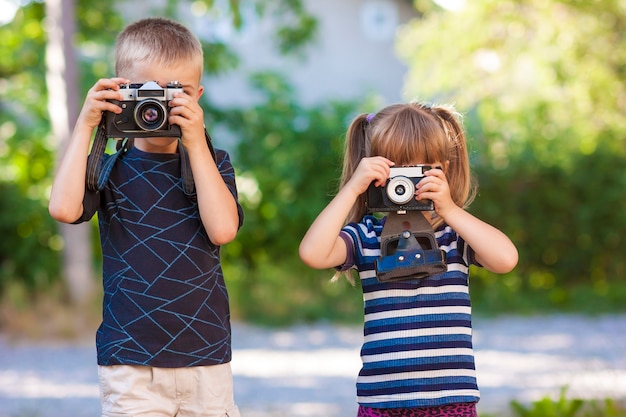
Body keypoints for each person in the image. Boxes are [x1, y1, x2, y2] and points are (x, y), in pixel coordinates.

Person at [48, 18, 243, 417]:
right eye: (149, 92)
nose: (161, 106)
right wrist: (87, 125)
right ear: (119, 92)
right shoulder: (107, 169)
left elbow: (223, 229)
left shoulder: (213, 164)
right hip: (129, 363)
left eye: (178, 93)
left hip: (205, 360)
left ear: (198, 97)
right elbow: (64, 209)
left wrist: (195, 141)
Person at [299, 103, 518, 417]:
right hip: (382, 401)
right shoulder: (366, 235)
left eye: (421, 168)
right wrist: (352, 189)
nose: (407, 180)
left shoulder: (453, 234)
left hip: (450, 400)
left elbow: (506, 259)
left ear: (443, 168)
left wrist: (450, 209)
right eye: (395, 167)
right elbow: (312, 253)